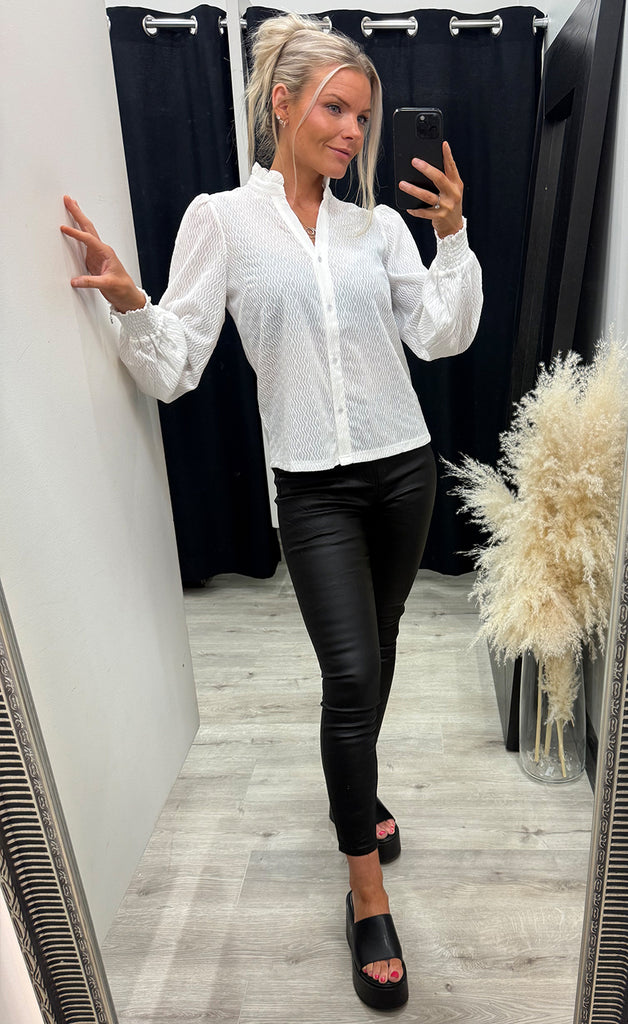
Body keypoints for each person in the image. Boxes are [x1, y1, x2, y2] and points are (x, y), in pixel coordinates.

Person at [60, 13, 482, 1011]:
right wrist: (129, 300)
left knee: (378, 648)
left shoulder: (377, 228)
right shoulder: (221, 221)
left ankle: (358, 791)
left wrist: (452, 236)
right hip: (311, 486)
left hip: (403, 469)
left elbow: (441, 336)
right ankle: (365, 890)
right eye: (335, 109)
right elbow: (176, 363)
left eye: (362, 117)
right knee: (350, 671)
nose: (352, 132)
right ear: (282, 103)